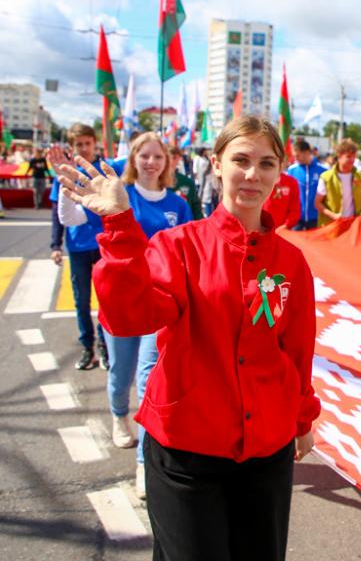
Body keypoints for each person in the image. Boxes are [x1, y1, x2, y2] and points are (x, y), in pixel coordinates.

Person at [55, 115, 319, 561]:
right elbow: (127, 318)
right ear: (216, 164)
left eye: (266, 163)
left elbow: (297, 350)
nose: (253, 174)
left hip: (265, 450)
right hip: (185, 451)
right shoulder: (178, 245)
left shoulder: (291, 263)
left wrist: (301, 418)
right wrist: (119, 226)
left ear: (279, 172)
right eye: (240, 160)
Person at [60, 132, 193, 496]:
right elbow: (75, 218)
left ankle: (142, 464)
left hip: (160, 302)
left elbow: (187, 250)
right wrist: (65, 189)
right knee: (121, 372)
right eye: (144, 155)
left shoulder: (179, 205)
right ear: (133, 159)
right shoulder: (121, 194)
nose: (151, 162)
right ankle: (119, 414)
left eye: (158, 156)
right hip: (120, 302)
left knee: (150, 376)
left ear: (167, 163)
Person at [48, 124, 108, 371]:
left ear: (95, 144)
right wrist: (55, 244)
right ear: (72, 149)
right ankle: (87, 348)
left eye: (87, 143)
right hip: (78, 247)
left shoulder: (105, 171)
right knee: (81, 301)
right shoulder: (64, 173)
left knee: (106, 300)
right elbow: (57, 212)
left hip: (104, 246)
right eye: (79, 145)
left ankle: (105, 346)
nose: (84, 148)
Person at [314, 138, 361, 226]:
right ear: (339, 156)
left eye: (354, 156)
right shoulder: (326, 177)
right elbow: (317, 203)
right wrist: (334, 216)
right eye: (348, 156)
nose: (352, 160)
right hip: (332, 225)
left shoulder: (358, 175)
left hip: (353, 224)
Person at [286, 139, 328, 230]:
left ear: (307, 153)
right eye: (294, 156)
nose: (295, 159)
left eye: (297, 156)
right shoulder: (291, 170)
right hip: (296, 219)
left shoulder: (323, 170)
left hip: (316, 218)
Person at [168, 146, 204, 220]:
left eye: (174, 157)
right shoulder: (156, 182)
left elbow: (195, 206)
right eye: (168, 157)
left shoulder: (187, 182)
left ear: (179, 159)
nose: (171, 161)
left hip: (185, 225)